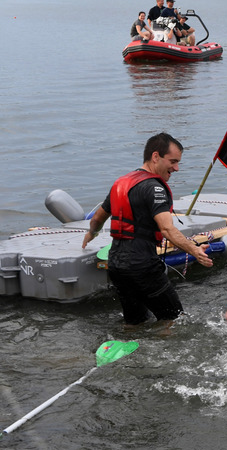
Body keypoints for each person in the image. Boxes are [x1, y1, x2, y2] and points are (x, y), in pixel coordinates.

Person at [82, 133, 212, 325]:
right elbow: (167, 229)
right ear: (155, 156)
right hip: (141, 263)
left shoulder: (121, 183)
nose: (176, 168)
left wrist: (91, 234)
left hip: (117, 264)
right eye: (173, 161)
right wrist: (195, 250)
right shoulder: (154, 188)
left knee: (135, 320)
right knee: (174, 319)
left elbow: (98, 217)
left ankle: (129, 349)